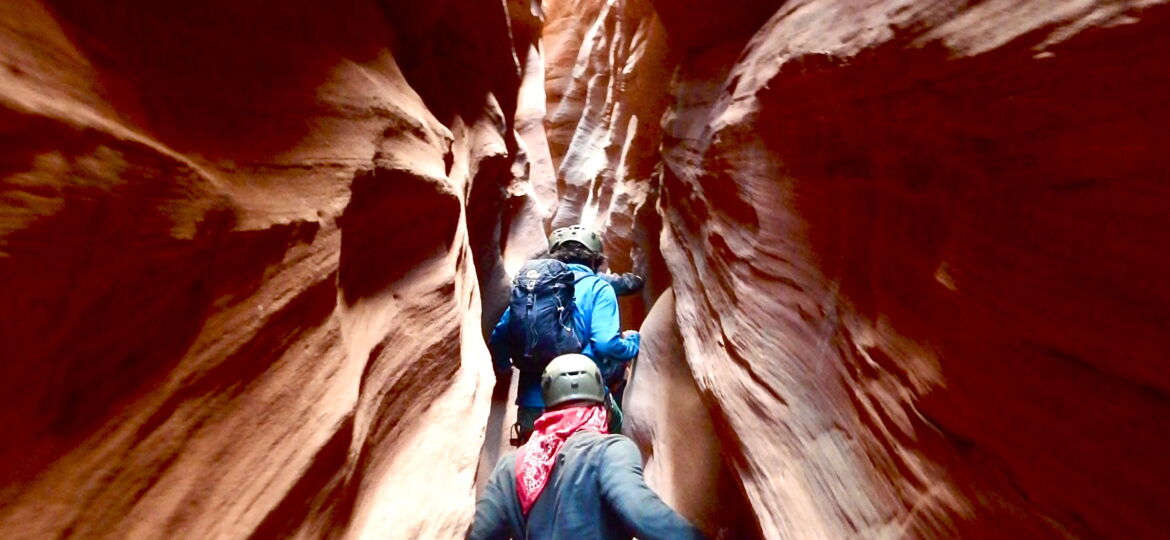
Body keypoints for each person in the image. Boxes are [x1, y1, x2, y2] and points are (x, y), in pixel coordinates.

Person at [468, 354, 708, 540]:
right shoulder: (610, 451)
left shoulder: (511, 466)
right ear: (601, 403)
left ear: (547, 406)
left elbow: (479, 533)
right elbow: (640, 511)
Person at [489, 225, 641, 443]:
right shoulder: (599, 288)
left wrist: (505, 367)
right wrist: (632, 343)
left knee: (536, 468)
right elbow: (606, 343)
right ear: (596, 260)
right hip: (585, 401)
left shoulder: (533, 290)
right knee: (611, 437)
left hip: (533, 403)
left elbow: (499, 336)